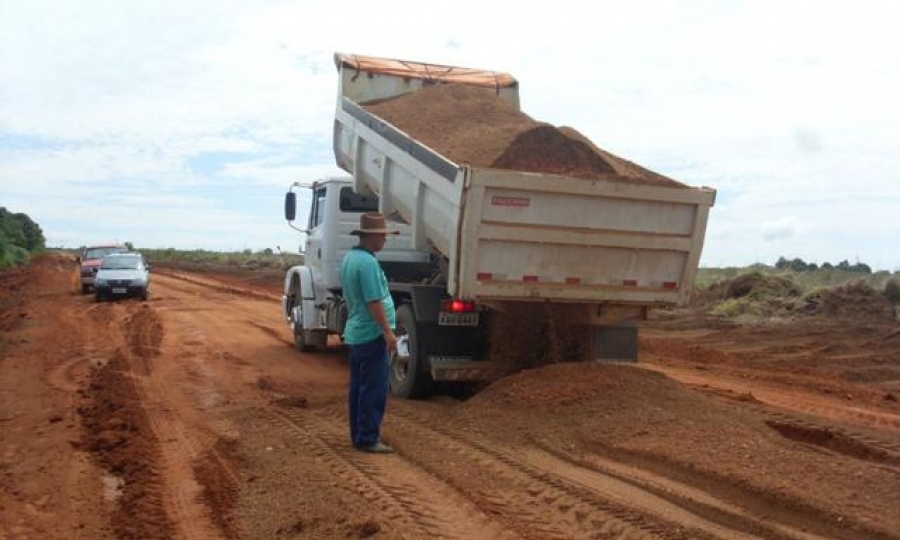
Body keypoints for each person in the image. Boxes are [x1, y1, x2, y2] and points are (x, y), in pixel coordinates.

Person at [340, 213, 400, 454]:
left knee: (359, 386)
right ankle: (367, 438)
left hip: (358, 332)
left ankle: (359, 435)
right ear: (372, 237)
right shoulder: (367, 263)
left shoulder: (351, 258)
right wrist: (387, 332)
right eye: (383, 236)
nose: (384, 240)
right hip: (370, 333)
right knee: (374, 388)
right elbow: (373, 300)